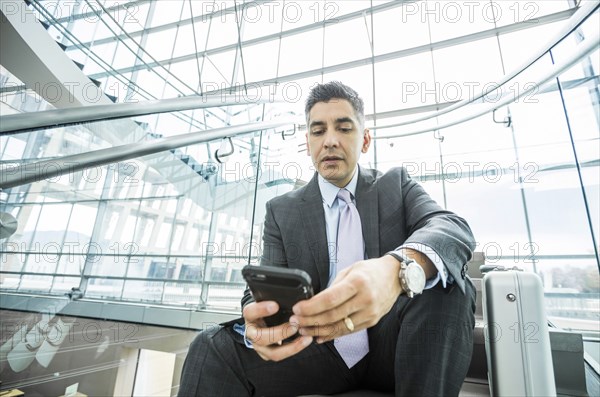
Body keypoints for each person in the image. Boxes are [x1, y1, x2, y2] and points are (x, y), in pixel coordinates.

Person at [179, 81, 476, 396]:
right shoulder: (282, 210)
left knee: (448, 284)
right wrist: (259, 323)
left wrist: (398, 269)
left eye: (344, 129)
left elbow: (451, 227)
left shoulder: (395, 187)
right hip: (317, 346)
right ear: (308, 143)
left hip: (393, 343)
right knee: (211, 344)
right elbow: (262, 289)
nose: (330, 141)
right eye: (318, 131)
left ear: (364, 140)